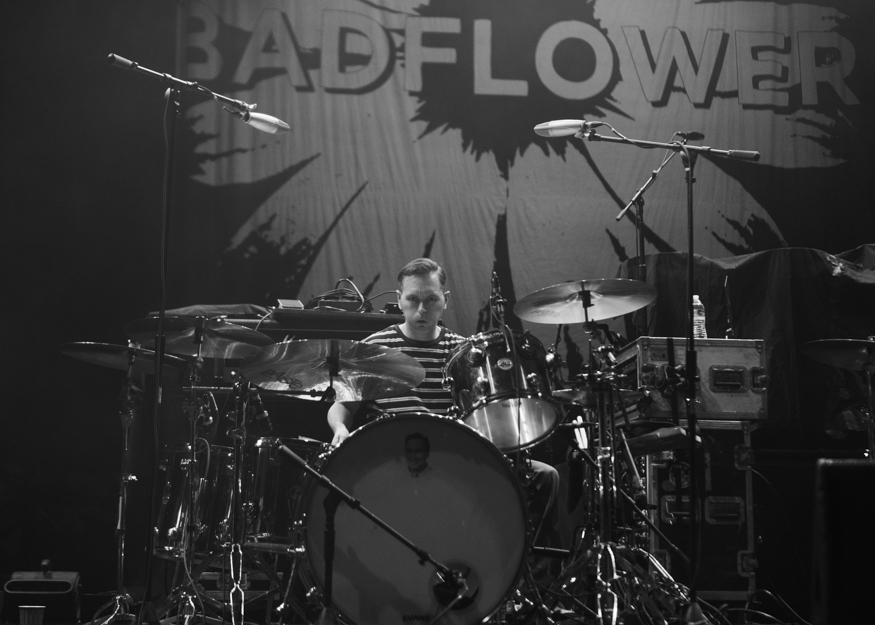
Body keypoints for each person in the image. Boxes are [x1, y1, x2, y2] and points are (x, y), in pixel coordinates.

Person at [327, 257, 559, 546]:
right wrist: (340, 429)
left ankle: (513, 573)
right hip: (395, 457)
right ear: (399, 300)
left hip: (451, 458)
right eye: (412, 299)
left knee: (544, 476)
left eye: (431, 299)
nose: (422, 309)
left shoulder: (464, 352)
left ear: (445, 300)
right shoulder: (374, 349)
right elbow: (341, 406)